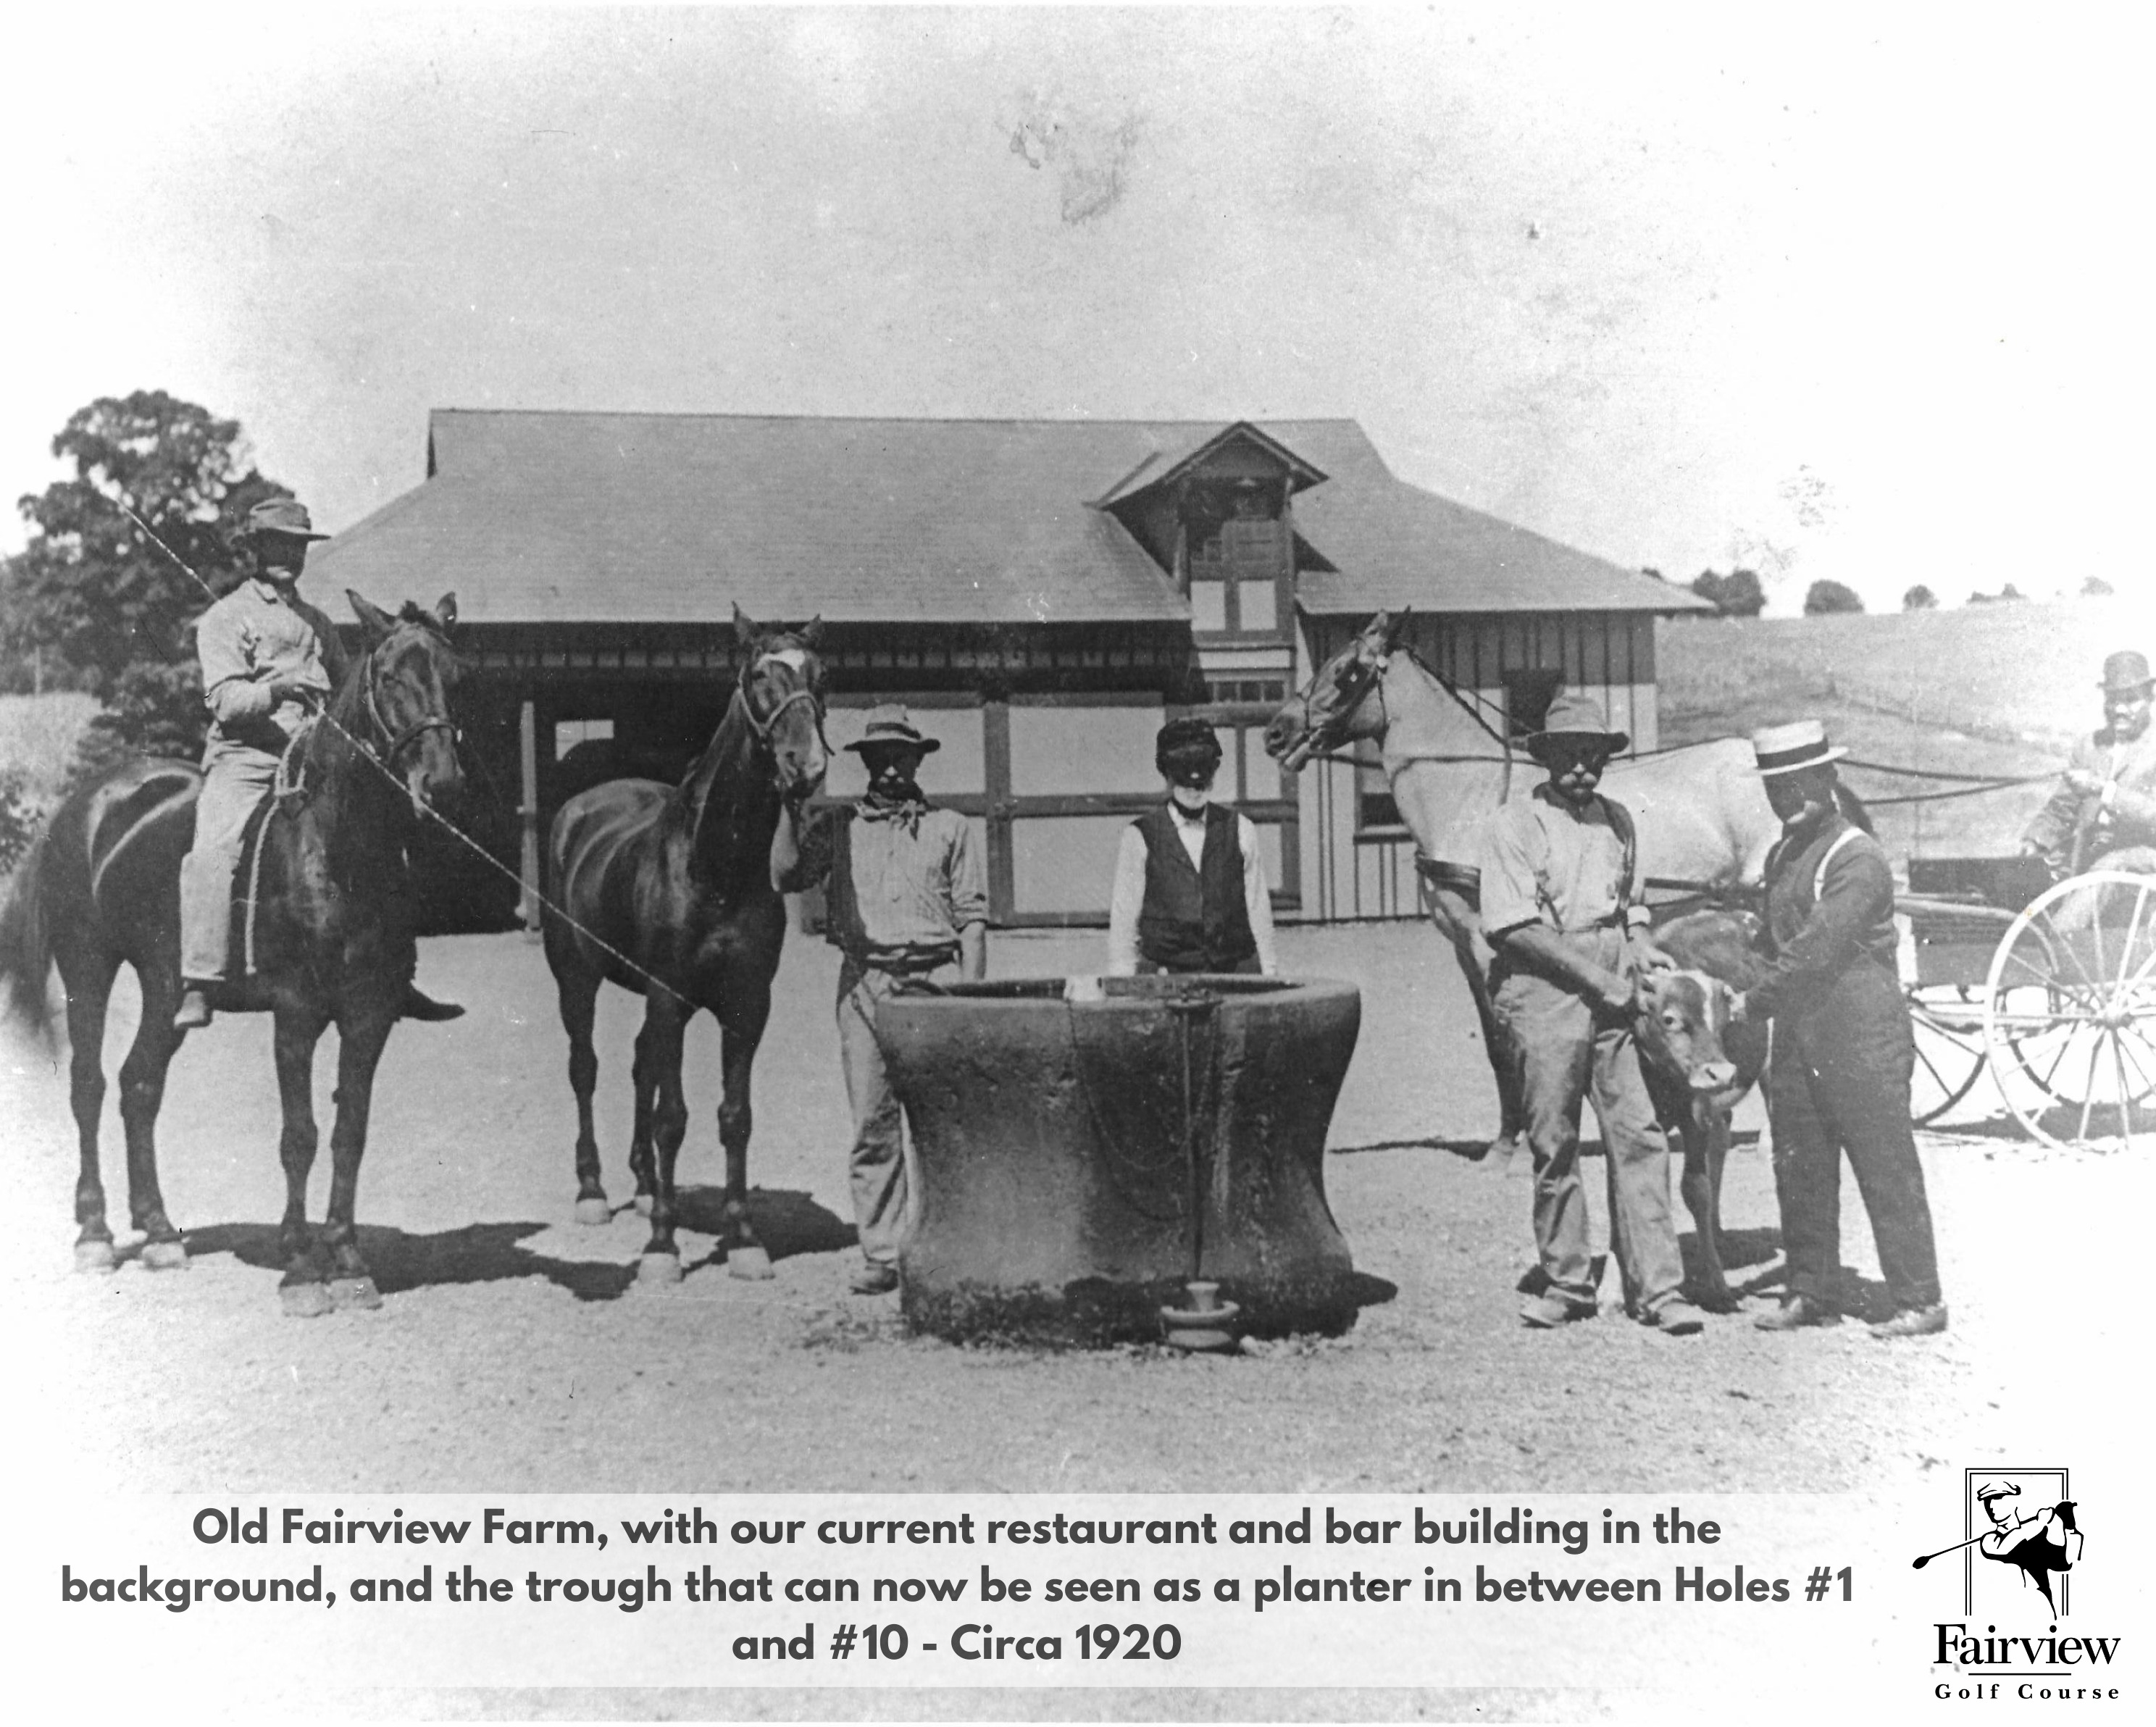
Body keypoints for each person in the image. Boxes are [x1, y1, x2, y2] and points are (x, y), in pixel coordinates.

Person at [174, 497, 461, 1031]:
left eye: (298, 545)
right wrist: (281, 686)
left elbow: (351, 693)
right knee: (213, 850)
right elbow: (225, 703)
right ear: (254, 550)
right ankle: (201, 978)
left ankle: (397, 971)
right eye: (277, 543)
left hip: (316, 754)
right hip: (247, 757)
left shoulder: (318, 623)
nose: (289, 554)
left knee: (389, 828)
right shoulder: (224, 618)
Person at [1476, 693, 1703, 1335]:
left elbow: (1631, 903)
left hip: (1616, 989)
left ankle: (1659, 1290)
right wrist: (1600, 979)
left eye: (1593, 755)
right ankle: (1569, 1283)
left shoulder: (1620, 821)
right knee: (1555, 1140)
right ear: (1545, 758)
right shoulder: (1513, 826)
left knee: (1640, 1134)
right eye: (1569, 754)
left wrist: (1640, 940)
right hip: (1544, 985)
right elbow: (1514, 926)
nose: (1582, 767)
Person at [1730, 720, 1947, 1339]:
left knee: (1884, 1166)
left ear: (1828, 778)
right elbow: (1779, 937)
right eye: (1775, 786)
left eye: (1798, 783)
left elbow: (1813, 952)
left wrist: (1751, 1000)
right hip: (1802, 1037)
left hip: (1862, 1036)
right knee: (1800, 1164)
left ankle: (1919, 1299)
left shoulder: (1858, 857)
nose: (1786, 796)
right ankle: (1810, 1290)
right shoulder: (1782, 855)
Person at [775, 706, 988, 1295]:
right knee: (873, 1122)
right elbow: (787, 874)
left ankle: (950, 1240)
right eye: (878, 759)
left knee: (943, 1121)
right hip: (865, 987)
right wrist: (791, 808)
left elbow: (972, 920)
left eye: (901, 757)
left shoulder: (951, 828)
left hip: (935, 982)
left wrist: (969, 997)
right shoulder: (838, 829)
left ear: (919, 760)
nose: (891, 770)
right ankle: (884, 1251)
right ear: (865, 765)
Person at [1106, 717, 1279, 977]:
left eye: (1202, 781)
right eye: (1184, 781)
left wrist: (1270, 972)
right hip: (1168, 978)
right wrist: (1121, 980)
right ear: (1168, 777)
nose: (1194, 790)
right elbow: (1124, 920)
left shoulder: (1241, 829)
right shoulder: (1140, 836)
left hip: (1231, 975)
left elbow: (1258, 910)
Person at [2021, 649, 2156, 877]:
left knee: (2106, 870)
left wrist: (2104, 790)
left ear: (2150, 698)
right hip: (2087, 864)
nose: (2120, 709)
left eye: (2131, 700)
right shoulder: (2089, 745)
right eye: (2113, 699)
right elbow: (2062, 807)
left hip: (2141, 866)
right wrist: (2036, 840)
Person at [1974, 1481, 2082, 1615]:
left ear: (2015, 1502)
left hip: (2041, 1609)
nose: (1990, 1505)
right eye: (1987, 1501)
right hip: (2003, 1611)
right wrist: (2039, 1522)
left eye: (1998, 1498)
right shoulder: (1990, 1540)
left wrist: (2069, 1527)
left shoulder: (2037, 1537)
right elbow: (2006, 1546)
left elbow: (2065, 1563)